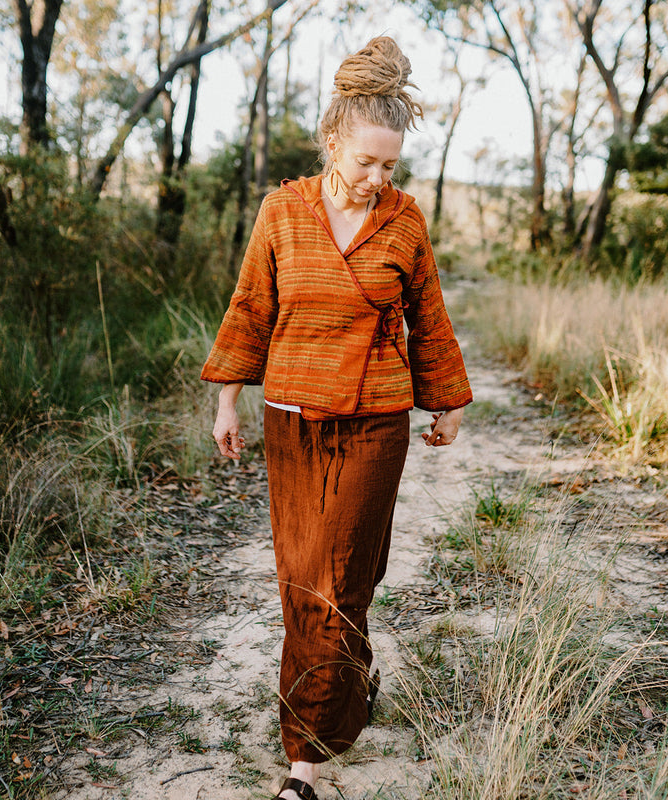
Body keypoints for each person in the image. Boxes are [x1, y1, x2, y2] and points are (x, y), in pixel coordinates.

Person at [201, 35, 472, 800]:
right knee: (300, 580)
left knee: (340, 579)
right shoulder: (282, 213)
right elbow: (252, 306)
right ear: (332, 143)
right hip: (291, 417)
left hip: (376, 420)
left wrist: (445, 400)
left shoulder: (405, 221)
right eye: (365, 163)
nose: (377, 179)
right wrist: (228, 397)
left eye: (390, 166)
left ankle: (303, 765)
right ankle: (349, 693)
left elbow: (429, 315)